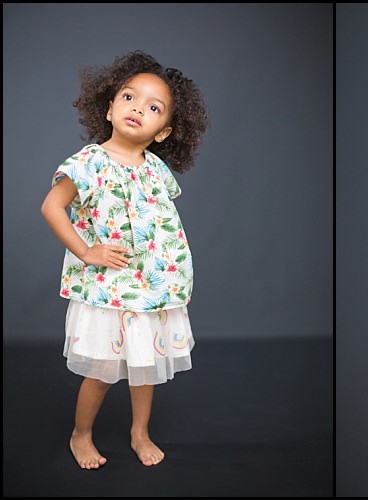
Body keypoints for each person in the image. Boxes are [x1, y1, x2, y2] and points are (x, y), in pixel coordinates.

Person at [40, 50, 209, 470]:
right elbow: (51, 207)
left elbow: (164, 224)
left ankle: (139, 432)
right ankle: (81, 434)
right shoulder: (89, 162)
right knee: (101, 370)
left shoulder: (155, 169)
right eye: (130, 98)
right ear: (110, 107)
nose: (139, 109)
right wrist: (85, 250)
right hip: (109, 284)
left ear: (164, 132)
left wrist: (177, 276)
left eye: (153, 108)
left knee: (145, 366)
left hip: (152, 286)